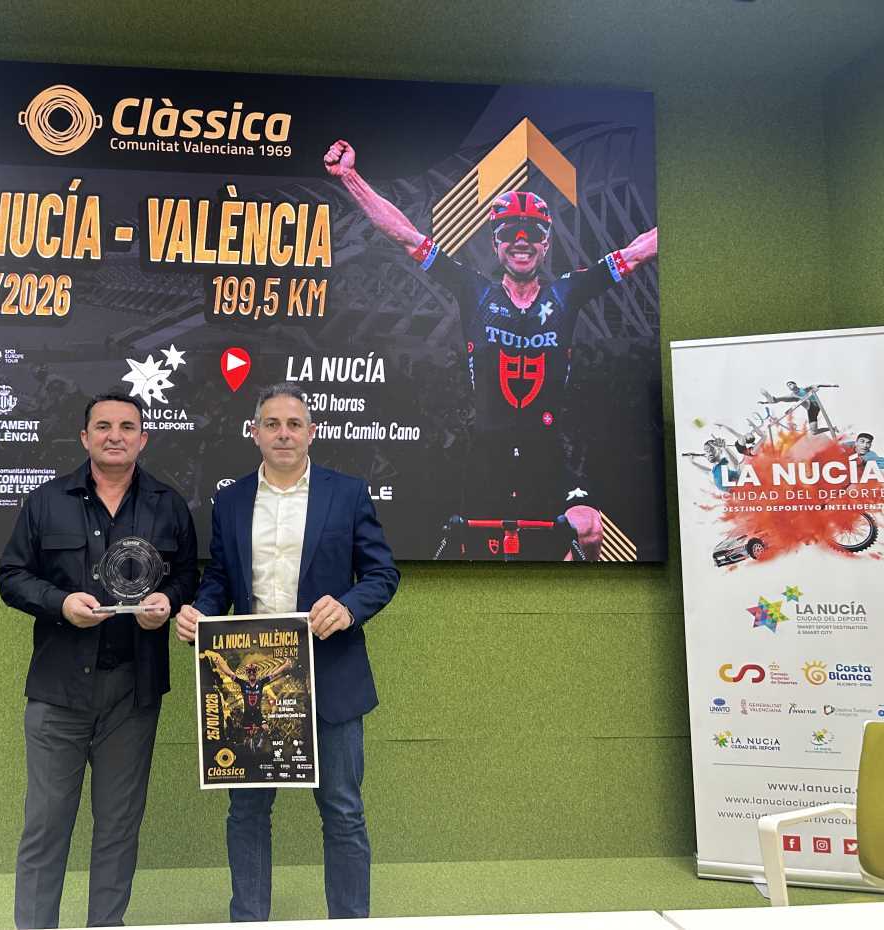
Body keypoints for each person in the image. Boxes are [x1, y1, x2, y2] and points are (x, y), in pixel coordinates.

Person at [324, 139, 659, 560]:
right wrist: (349, 177)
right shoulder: (474, 290)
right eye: (509, 232)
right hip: (485, 452)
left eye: (533, 232)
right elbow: (405, 236)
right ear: (496, 243)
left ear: (547, 243)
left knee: (589, 529)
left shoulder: (568, 293)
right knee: (475, 554)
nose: (521, 240)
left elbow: (638, 252)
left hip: (549, 450)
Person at [176, 383, 399, 921]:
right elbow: (220, 577)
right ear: (254, 433)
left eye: (293, 424)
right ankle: (249, 921)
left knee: (342, 811)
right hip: (255, 683)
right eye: (271, 424)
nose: (283, 434)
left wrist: (348, 607)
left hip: (331, 676)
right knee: (247, 811)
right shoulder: (231, 500)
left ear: (311, 433)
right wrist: (200, 610)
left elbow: (382, 574)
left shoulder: (348, 494)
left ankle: (350, 922)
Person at [0, 390, 199, 930]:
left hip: (132, 694)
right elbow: (12, 577)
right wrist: (60, 603)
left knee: (118, 827)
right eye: (104, 426)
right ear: (85, 436)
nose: (115, 436)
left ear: (143, 438)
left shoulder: (168, 505)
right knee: (46, 826)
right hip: (58, 693)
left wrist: (168, 602)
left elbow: (188, 577)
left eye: (127, 427)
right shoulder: (46, 501)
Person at [204, 653, 294, 754]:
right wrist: (220, 665)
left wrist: (285, 665)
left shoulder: (261, 683)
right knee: (244, 737)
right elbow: (230, 673)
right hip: (247, 715)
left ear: (256, 673)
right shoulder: (243, 683)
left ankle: (259, 749)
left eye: (253, 672)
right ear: (247, 674)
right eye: (250, 672)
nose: (252, 673)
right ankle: (246, 750)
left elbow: (275, 673)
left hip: (258, 715)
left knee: (266, 729)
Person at [761, 381, 837, 435]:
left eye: (790, 384)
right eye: (788, 386)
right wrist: (765, 402)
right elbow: (784, 398)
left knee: (795, 398)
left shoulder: (804, 389)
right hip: (810, 409)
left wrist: (832, 385)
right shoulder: (792, 394)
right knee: (814, 432)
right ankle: (833, 428)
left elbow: (819, 385)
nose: (790, 386)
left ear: (795, 384)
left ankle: (774, 399)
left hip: (814, 404)